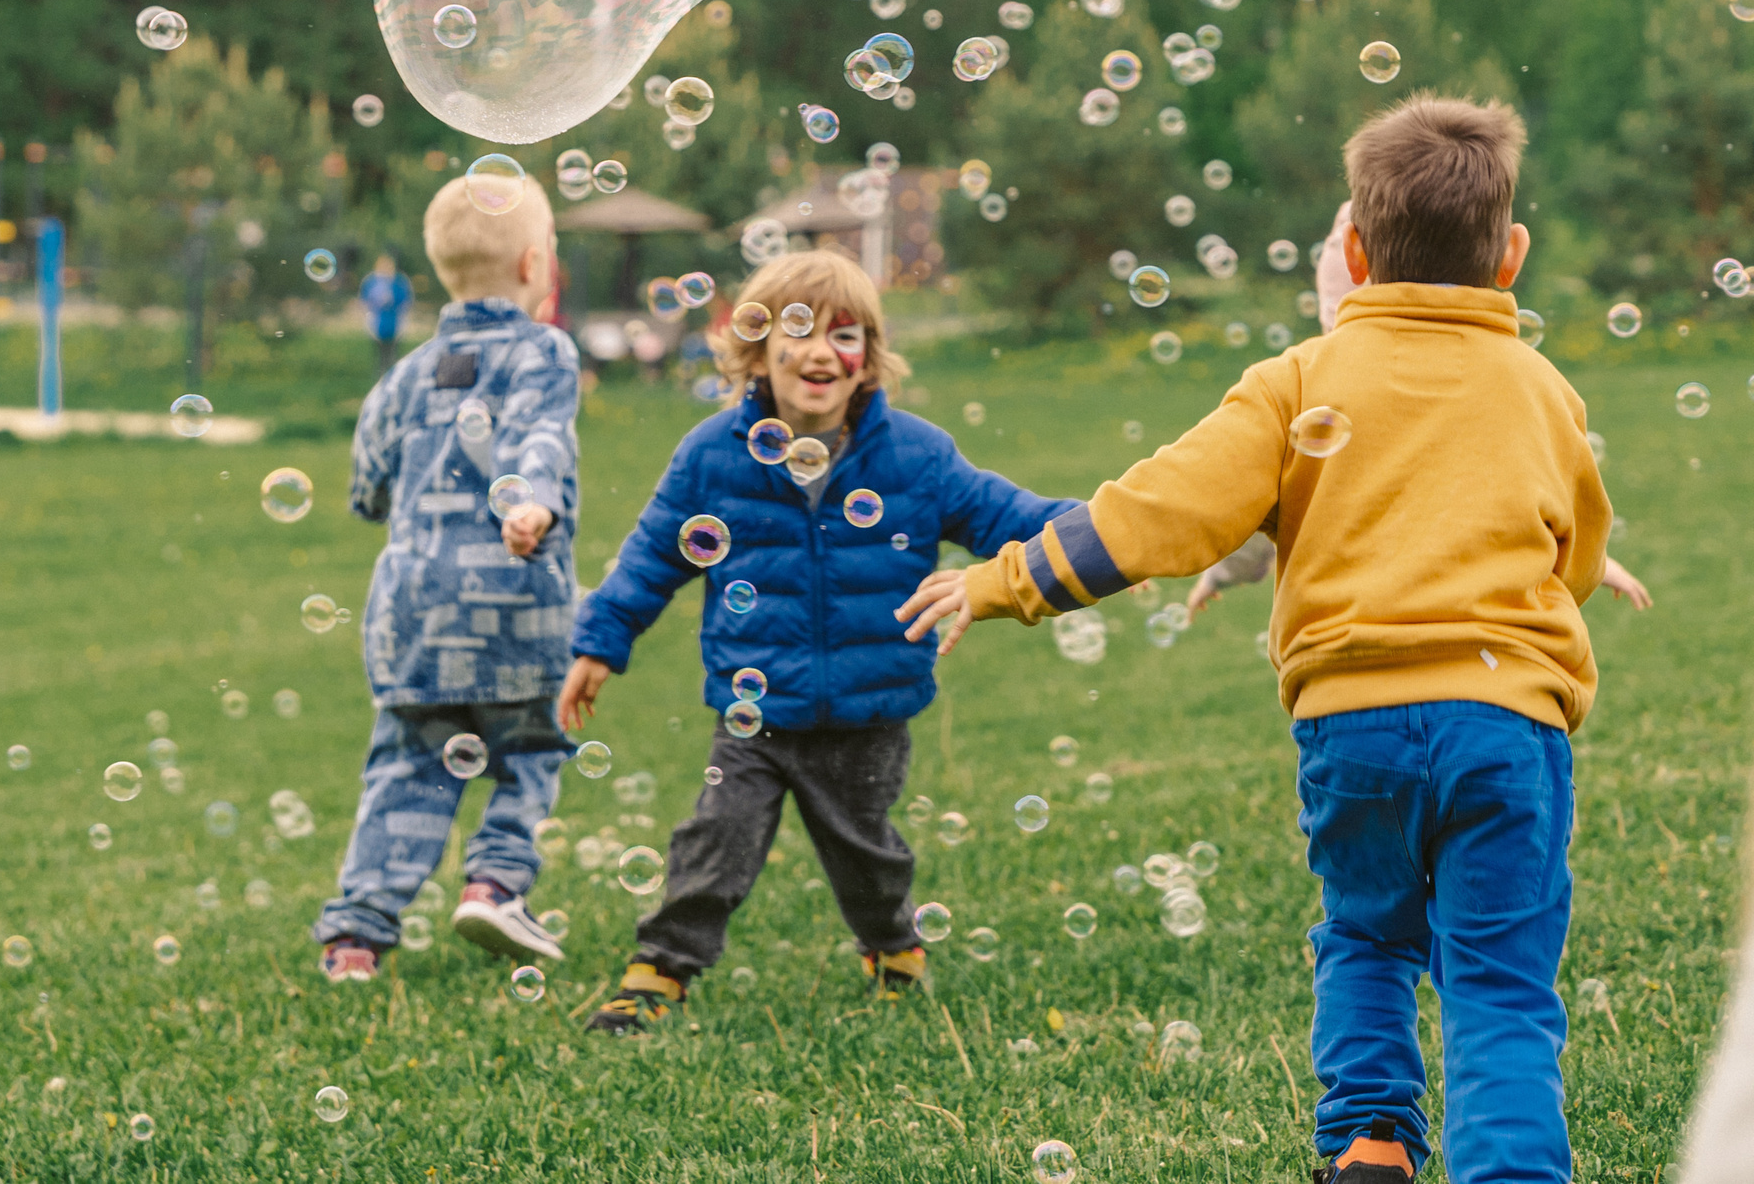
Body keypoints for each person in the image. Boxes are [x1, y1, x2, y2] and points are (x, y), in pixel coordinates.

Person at [902, 96, 1608, 1184]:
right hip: (1506, 724)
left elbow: (1157, 515)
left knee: (1366, 936)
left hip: (1352, 725)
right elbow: (1575, 548)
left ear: (1357, 254)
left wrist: (1005, 579)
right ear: (1509, 257)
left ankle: (1370, 1144)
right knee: (1499, 983)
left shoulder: (1297, 381)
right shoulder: (1543, 392)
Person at [559, 248, 1077, 1035]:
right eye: (795, 331)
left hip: (871, 707)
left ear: (868, 356)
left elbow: (1006, 514)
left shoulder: (918, 456)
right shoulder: (712, 455)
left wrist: (1102, 541)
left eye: (844, 333)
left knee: (866, 852)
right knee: (715, 839)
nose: (818, 350)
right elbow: (651, 555)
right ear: (755, 351)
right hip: (755, 709)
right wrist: (599, 643)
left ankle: (892, 943)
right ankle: (660, 967)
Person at [313, 173, 579, 982]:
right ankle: (496, 882)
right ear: (537, 263)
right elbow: (540, 440)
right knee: (533, 746)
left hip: (411, 613)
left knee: (405, 766)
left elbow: (366, 489)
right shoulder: (544, 351)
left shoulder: (403, 375)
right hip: (516, 606)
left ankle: (356, 934)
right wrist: (530, 504)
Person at [1186, 200, 1650, 618]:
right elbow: (1539, 501)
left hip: (1349, 655)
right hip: (1480, 650)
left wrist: (1214, 572)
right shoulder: (1485, 379)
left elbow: (1242, 497)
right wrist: (1586, 563)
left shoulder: (1304, 388)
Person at [358, 252, 414, 373]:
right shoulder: (371, 281)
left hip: (394, 322)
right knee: (380, 354)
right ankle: (381, 377)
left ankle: (392, 376)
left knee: (393, 353)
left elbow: (406, 301)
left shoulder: (399, 281)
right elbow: (364, 301)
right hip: (377, 322)